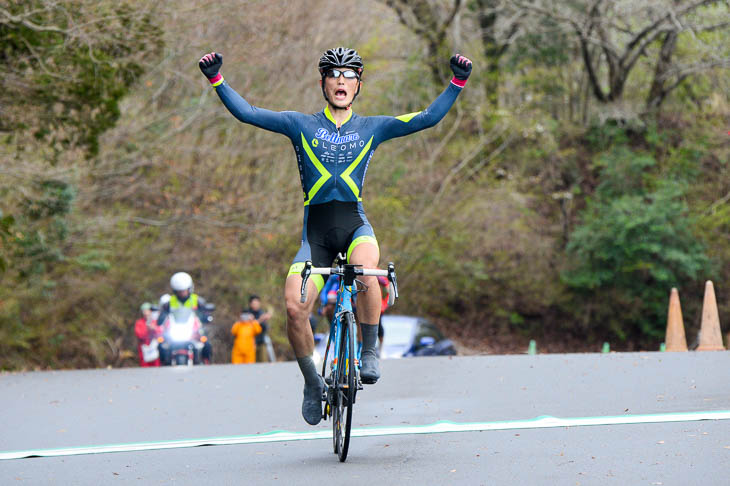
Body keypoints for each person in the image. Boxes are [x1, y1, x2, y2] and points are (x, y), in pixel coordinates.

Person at [199, 47, 472, 425]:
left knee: (365, 270)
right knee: (295, 308)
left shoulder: (373, 127)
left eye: (349, 75)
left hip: (355, 225)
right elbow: (249, 114)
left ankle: (370, 350)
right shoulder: (300, 124)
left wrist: (457, 82)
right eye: (333, 74)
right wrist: (217, 79)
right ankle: (312, 382)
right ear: (323, 83)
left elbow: (426, 118)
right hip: (316, 235)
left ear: (358, 84)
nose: (341, 80)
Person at [157, 272, 213, 363]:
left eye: (184, 290)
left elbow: (204, 311)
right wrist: (160, 320)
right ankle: (164, 363)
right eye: (179, 291)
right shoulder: (169, 302)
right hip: (174, 329)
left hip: (193, 330)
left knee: (206, 343)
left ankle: (206, 362)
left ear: (189, 289)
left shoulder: (197, 300)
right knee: (161, 344)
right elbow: (163, 314)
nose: (182, 293)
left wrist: (206, 317)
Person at [245, 294, 273, 362]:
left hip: (261, 341)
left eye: (257, 303)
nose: (255, 305)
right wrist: (261, 319)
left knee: (263, 361)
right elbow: (248, 327)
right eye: (254, 303)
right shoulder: (247, 313)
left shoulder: (261, 312)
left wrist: (265, 319)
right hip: (250, 343)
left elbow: (264, 327)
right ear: (250, 304)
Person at [134, 302, 160, 367]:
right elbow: (139, 334)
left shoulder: (155, 321)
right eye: (145, 311)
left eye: (148, 310)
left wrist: (154, 329)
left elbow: (161, 332)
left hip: (155, 346)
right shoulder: (139, 323)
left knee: (156, 365)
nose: (146, 313)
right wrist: (147, 330)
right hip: (144, 347)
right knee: (145, 366)